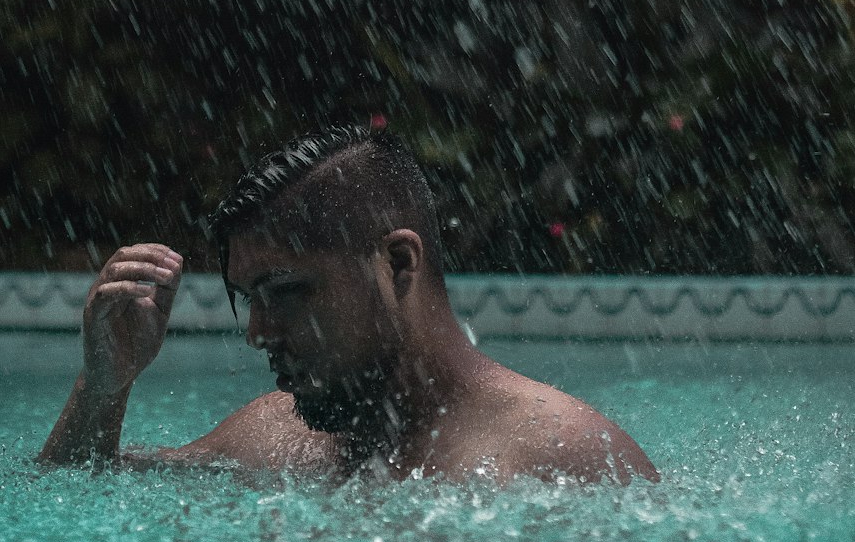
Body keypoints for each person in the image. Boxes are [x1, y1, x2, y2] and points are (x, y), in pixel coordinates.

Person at [38, 126, 659, 485]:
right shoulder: (274, 436)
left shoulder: (565, 457)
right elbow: (73, 497)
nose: (257, 332)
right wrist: (103, 388)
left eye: (286, 291)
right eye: (247, 299)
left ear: (396, 265)